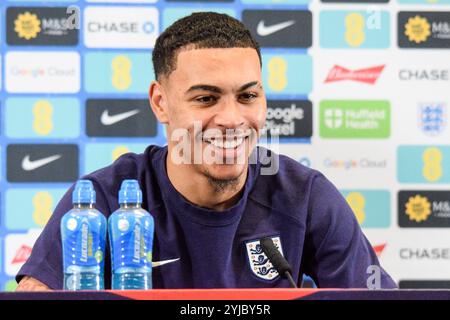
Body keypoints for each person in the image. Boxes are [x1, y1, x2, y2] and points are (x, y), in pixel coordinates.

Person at [16, 12, 397, 291]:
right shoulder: (102, 201)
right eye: (206, 97)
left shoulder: (306, 196)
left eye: (248, 95)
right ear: (161, 102)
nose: (231, 119)